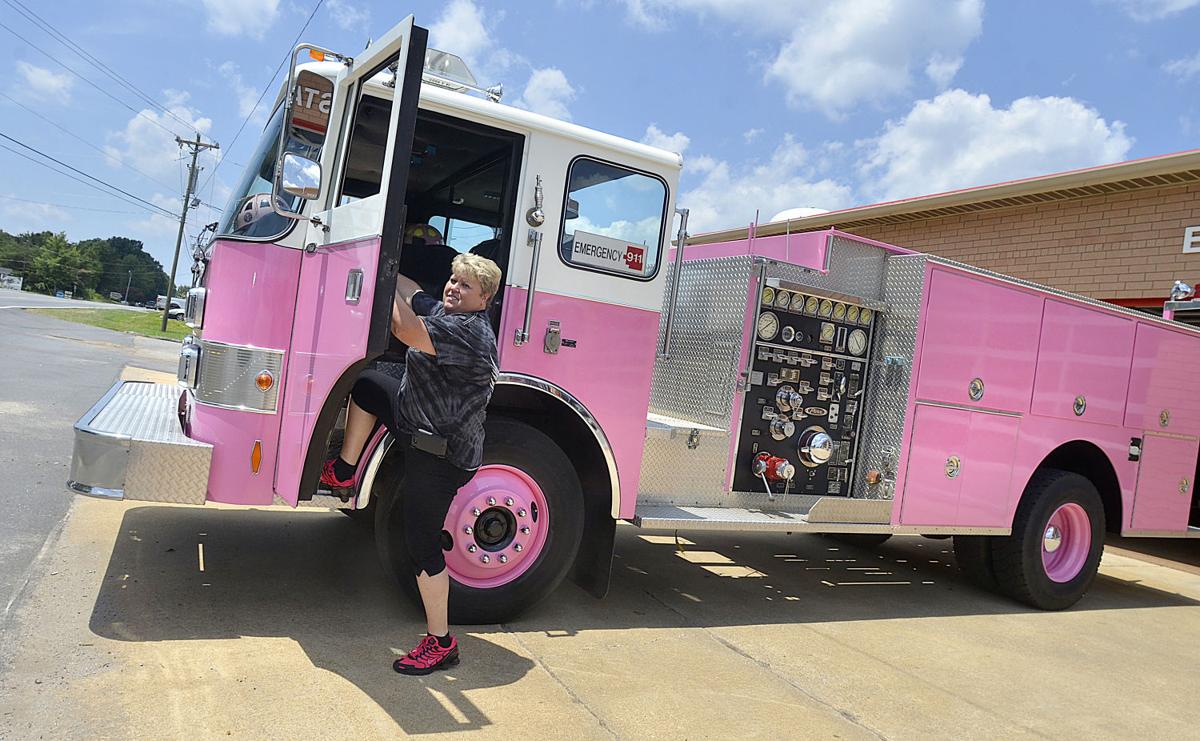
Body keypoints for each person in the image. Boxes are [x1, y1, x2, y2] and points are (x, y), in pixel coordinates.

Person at [320, 251, 501, 676]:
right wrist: (385, 259)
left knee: (421, 547)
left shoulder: (471, 334)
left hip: (439, 454)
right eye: (453, 280)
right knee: (367, 384)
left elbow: (403, 327)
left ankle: (441, 643)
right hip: (414, 418)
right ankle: (345, 470)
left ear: (485, 298)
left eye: (465, 285)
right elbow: (415, 295)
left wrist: (374, 279)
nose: (453, 288)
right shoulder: (448, 312)